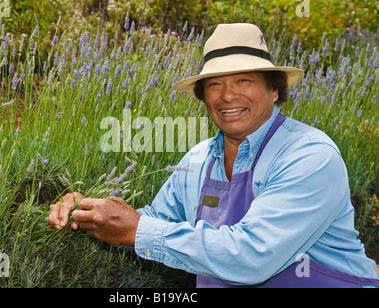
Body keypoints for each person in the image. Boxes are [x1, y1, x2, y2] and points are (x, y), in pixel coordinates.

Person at [48, 23, 379, 287]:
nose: (227, 96)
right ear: (203, 96)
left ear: (275, 90)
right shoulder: (198, 159)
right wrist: (87, 211)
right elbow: (153, 222)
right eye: (214, 85)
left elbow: (252, 257)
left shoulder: (309, 155)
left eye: (244, 80)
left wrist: (136, 229)